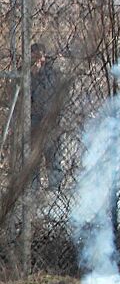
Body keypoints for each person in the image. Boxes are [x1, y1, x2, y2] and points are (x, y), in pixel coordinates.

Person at [29, 43, 64, 187]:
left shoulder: (53, 72)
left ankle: (55, 187)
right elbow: (22, 96)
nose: (38, 60)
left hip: (50, 119)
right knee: (33, 157)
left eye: (40, 56)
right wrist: (32, 75)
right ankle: (33, 187)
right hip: (33, 120)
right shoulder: (26, 72)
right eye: (34, 56)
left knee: (53, 154)